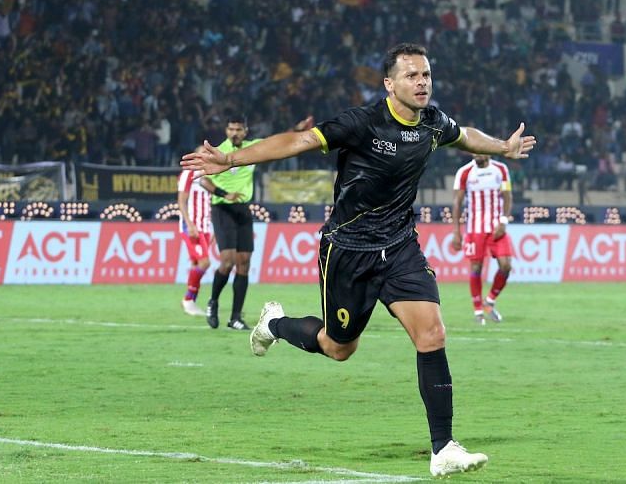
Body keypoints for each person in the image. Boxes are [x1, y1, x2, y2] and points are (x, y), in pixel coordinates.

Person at [182, 43, 536, 477]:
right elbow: (300, 140)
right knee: (339, 347)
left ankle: (443, 448)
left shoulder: (432, 122)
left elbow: (465, 136)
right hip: (349, 250)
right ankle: (273, 324)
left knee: (432, 335)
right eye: (412, 75)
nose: (422, 82)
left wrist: (502, 147)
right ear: (390, 84)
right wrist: (231, 158)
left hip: (401, 247)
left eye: (426, 74)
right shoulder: (362, 122)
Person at [202, 113, 312, 331]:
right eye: (231, 129)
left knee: (244, 263)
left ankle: (235, 317)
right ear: (226, 131)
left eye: (238, 129)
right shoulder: (218, 151)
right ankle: (213, 301)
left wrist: (298, 129)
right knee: (228, 260)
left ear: (245, 131)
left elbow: (277, 143)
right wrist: (224, 193)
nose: (234, 133)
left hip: (243, 209)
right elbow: (203, 180)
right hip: (222, 209)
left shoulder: (251, 149)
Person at [451, 154, 514, 325]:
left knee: (506, 265)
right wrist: (456, 232)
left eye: (479, 150)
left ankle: (490, 301)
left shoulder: (500, 169)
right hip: (474, 229)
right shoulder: (464, 172)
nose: (476, 154)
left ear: (488, 151)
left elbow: (508, 196)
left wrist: (503, 221)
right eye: (473, 151)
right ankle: (478, 310)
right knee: (476, 268)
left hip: (496, 228)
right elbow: (457, 203)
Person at [177, 146, 215, 317]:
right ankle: (188, 299)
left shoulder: (208, 175)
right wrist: (189, 223)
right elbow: (181, 201)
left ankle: (191, 302)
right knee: (205, 262)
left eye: (207, 153)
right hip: (193, 226)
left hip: (205, 226)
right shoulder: (188, 173)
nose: (205, 155)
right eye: (202, 153)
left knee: (196, 264)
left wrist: (211, 227)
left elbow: (208, 203)